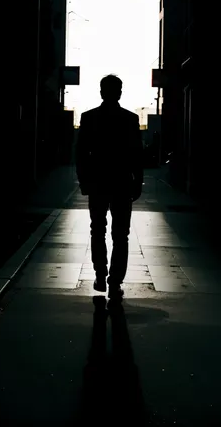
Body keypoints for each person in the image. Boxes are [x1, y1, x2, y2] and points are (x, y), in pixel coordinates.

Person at [76, 75, 144, 299]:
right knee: (120, 234)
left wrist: (84, 181)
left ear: (101, 92)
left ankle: (99, 274)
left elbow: (81, 154)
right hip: (122, 182)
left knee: (98, 229)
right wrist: (137, 181)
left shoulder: (89, 118)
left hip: (97, 182)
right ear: (119, 92)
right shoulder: (130, 119)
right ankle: (115, 280)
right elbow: (136, 155)